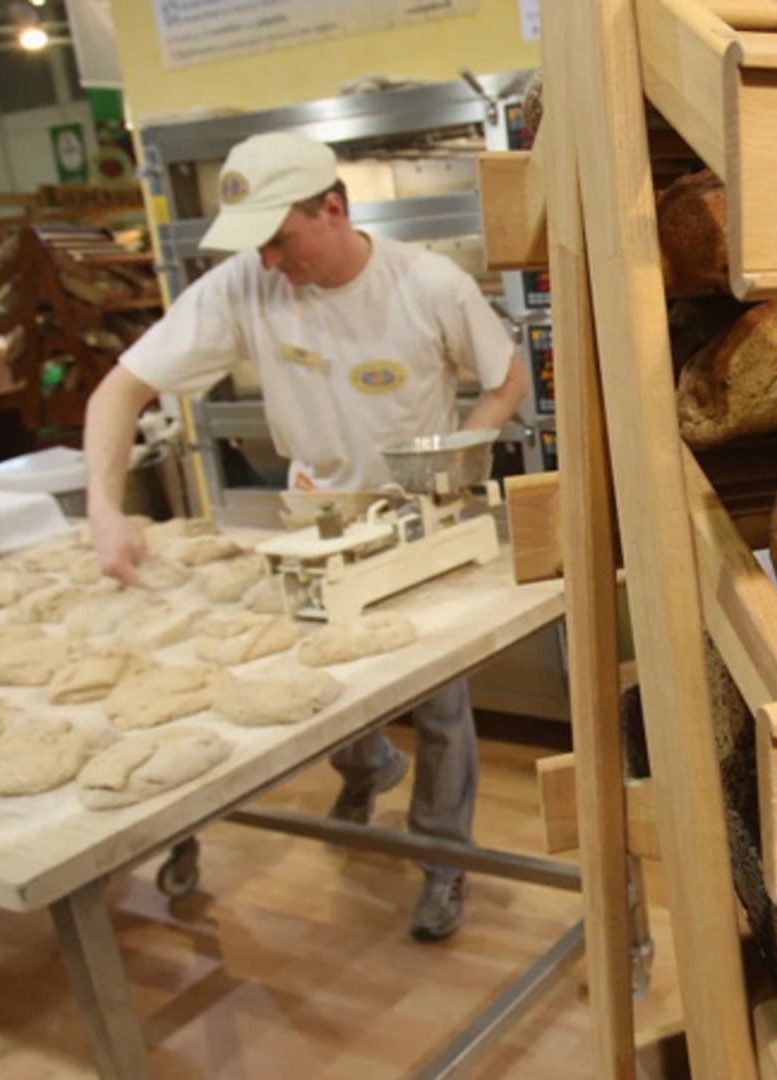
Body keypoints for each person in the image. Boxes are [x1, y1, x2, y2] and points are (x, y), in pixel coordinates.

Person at [82, 132, 531, 941]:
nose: (271, 261)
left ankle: (442, 860)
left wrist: (456, 453)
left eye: (281, 238)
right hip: (314, 515)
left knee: (438, 701)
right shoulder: (247, 287)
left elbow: (508, 379)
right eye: (256, 244)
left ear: (334, 207)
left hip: (415, 517)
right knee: (325, 687)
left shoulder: (427, 284)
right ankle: (365, 768)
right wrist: (105, 510)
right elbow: (120, 391)